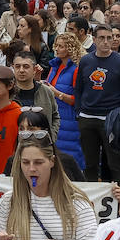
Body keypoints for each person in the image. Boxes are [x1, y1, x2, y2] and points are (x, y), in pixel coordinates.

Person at [75, 24, 120, 182]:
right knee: (90, 164)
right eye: (102, 38)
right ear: (94, 39)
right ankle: (91, 200)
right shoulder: (86, 61)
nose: (106, 42)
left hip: (111, 120)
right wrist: (79, 111)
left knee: (115, 165)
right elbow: (78, 88)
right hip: (87, 118)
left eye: (109, 38)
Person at [46, 32, 85, 168]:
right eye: (56, 45)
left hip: (70, 120)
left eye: (61, 46)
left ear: (70, 48)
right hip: (55, 117)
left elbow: (77, 99)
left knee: (70, 159)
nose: (56, 49)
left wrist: (56, 93)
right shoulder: (55, 66)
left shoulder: (76, 69)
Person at [8, 51, 60, 139]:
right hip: (15, 147)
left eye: (26, 66)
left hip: (42, 145)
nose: (21, 70)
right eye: (17, 66)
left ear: (34, 70)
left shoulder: (46, 91)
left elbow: (55, 116)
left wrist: (51, 137)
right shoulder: (7, 94)